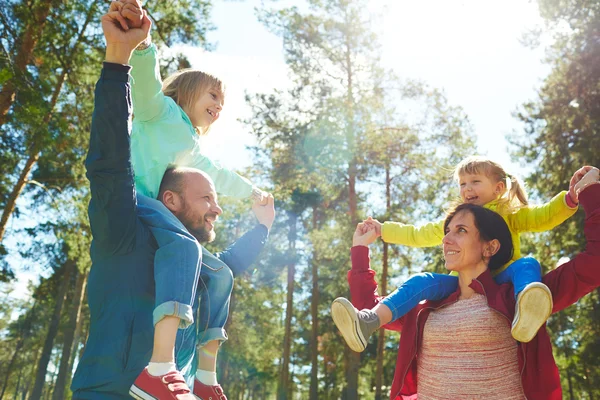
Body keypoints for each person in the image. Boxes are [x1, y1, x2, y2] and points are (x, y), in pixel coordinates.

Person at [71, 8, 275, 399]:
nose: (219, 104)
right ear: (187, 92)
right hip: (137, 203)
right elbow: (145, 86)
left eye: (222, 101)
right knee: (185, 246)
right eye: (213, 94)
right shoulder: (159, 112)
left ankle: (206, 377)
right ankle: (159, 367)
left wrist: (256, 204)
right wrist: (142, 46)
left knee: (218, 273)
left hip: (162, 222)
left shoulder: (193, 149)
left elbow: (223, 177)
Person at [331, 167, 600, 399]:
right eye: (447, 232)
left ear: (490, 247)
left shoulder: (522, 300)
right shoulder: (424, 308)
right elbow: (370, 306)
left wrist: (587, 192)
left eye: (461, 230)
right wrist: (360, 249)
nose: (446, 239)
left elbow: (594, 261)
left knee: (527, 268)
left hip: (519, 299)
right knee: (417, 283)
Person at [362, 156, 582, 343]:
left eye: (475, 181)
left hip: (501, 279)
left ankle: (527, 310)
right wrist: (383, 230)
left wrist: (570, 199)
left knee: (527, 265)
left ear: (498, 188)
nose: (467, 188)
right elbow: (418, 234)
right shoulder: (457, 220)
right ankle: (371, 319)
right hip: (463, 284)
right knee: (422, 281)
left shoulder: (509, 214)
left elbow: (543, 215)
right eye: (462, 183)